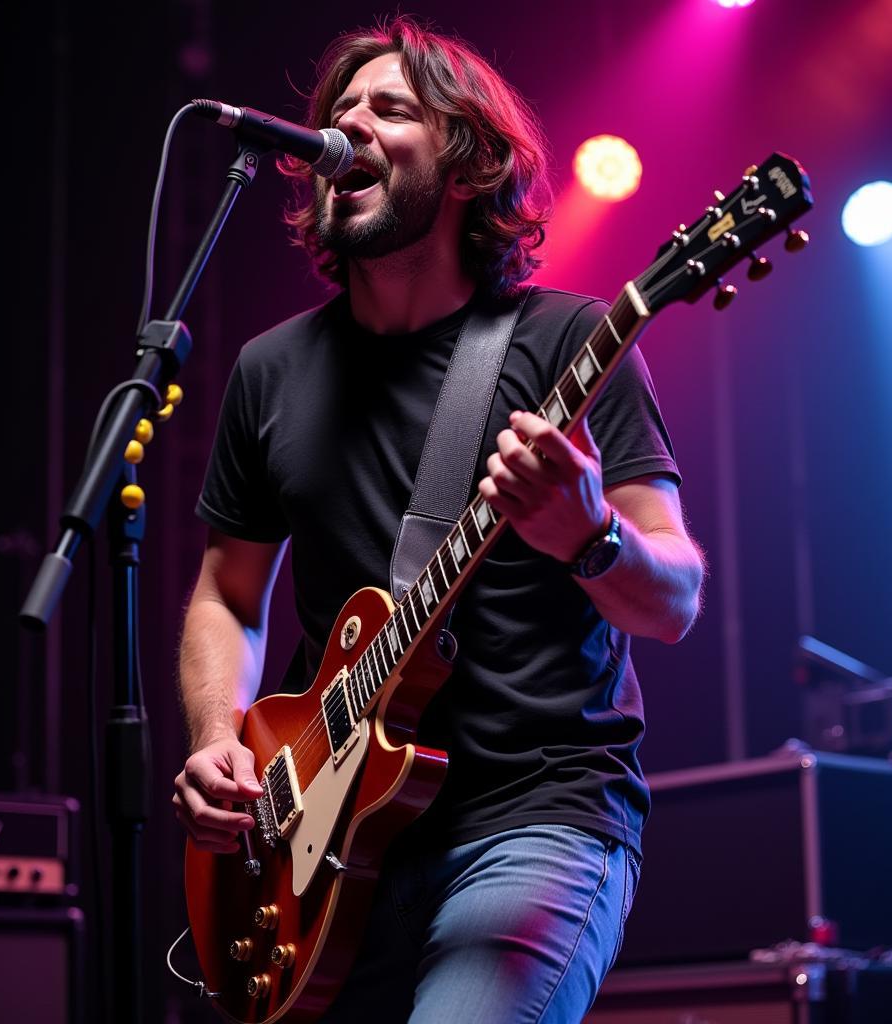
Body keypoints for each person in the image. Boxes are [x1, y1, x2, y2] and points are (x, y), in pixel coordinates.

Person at [173, 16, 704, 1024]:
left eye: (391, 108)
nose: (347, 127)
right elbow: (225, 594)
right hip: (325, 837)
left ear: (467, 165)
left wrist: (585, 534)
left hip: (535, 809)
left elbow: (671, 597)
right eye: (338, 112)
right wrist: (215, 737)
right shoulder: (268, 369)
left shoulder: (569, 341)